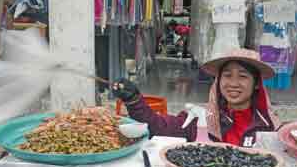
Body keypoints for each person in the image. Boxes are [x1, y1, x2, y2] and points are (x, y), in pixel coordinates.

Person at [112, 49, 280, 147]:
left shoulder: (270, 127)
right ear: (218, 81)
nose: (233, 83)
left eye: (242, 76)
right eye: (227, 75)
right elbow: (157, 125)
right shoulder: (200, 119)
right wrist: (134, 100)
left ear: (256, 83)